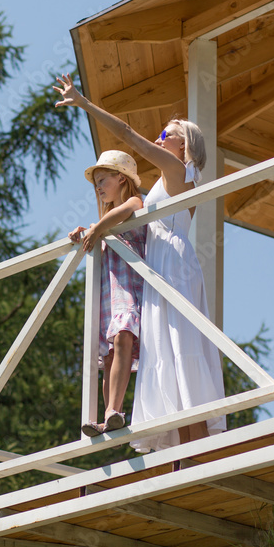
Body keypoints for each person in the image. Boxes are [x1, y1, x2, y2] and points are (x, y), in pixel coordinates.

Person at [54, 74, 225, 451]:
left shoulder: (178, 172)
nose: (161, 139)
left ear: (185, 144)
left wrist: (84, 104)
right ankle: (185, 451)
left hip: (172, 266)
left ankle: (197, 452)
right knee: (166, 352)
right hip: (157, 265)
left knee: (180, 350)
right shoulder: (171, 178)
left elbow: (130, 136)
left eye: (168, 134)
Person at [68, 150, 146, 437]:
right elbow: (102, 228)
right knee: (109, 355)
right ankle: (106, 417)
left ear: (122, 178)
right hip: (108, 296)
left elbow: (124, 211)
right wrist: (85, 231)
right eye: (96, 183)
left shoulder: (135, 203)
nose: (99, 187)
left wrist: (96, 228)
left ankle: (115, 409)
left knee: (124, 336)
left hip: (129, 289)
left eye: (103, 180)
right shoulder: (103, 225)